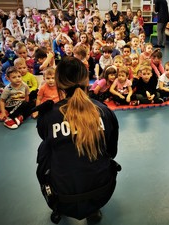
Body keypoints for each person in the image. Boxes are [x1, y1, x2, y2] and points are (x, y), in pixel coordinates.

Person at [35, 56, 120, 223]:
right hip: (102, 192)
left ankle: (60, 203)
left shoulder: (48, 115)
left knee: (46, 149)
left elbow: (46, 139)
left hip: (61, 197)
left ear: (59, 83)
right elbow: (112, 152)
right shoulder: (105, 111)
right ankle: (92, 210)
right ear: (86, 80)